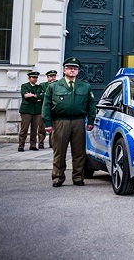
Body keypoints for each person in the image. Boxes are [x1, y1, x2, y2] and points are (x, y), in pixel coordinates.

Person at [42, 57, 96, 187]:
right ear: (64, 69)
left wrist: (90, 121)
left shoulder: (85, 86)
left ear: (78, 71)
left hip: (78, 121)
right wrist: (48, 123)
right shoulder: (54, 86)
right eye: (70, 68)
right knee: (59, 152)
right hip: (61, 122)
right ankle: (58, 177)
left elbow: (91, 105)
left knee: (79, 152)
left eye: (75, 68)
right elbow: (46, 106)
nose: (73, 70)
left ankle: (78, 177)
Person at [18, 71, 44, 152]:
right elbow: (25, 96)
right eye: (33, 77)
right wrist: (37, 98)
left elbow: (43, 96)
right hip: (27, 110)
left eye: (36, 78)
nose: (35, 79)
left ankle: (33, 145)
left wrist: (33, 95)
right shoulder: (24, 86)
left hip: (37, 111)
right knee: (24, 129)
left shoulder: (39, 87)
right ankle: (21, 145)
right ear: (29, 78)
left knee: (34, 129)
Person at [38, 69, 58, 148]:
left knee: (53, 127)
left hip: (54, 109)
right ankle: (41, 142)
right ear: (47, 77)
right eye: (51, 76)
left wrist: (45, 94)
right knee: (42, 127)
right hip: (44, 108)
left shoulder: (58, 85)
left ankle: (52, 143)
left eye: (54, 76)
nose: (53, 78)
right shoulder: (42, 85)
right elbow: (38, 95)